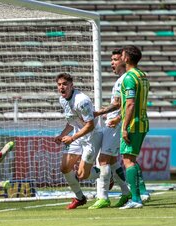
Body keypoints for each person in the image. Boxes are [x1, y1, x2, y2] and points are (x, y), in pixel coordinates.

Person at [95, 45, 150, 209]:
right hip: (143, 122)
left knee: (128, 161)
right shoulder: (143, 76)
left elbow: (130, 104)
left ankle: (135, 199)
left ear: (126, 58)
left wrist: (123, 125)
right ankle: (137, 195)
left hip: (132, 123)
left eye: (121, 56)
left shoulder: (128, 78)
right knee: (129, 159)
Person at [88, 49, 131, 209]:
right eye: (111, 60)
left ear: (123, 60)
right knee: (112, 161)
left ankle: (103, 197)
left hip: (115, 124)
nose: (112, 63)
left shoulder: (123, 80)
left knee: (103, 159)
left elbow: (121, 103)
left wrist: (102, 112)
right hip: (114, 121)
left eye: (115, 59)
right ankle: (126, 192)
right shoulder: (121, 79)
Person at [54, 73, 103, 209]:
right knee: (65, 167)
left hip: (91, 137)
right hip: (77, 136)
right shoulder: (63, 100)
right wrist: (62, 135)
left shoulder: (82, 100)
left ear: (71, 85)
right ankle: (80, 197)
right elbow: (72, 122)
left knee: (82, 175)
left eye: (64, 84)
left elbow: (90, 125)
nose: (61, 87)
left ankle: (106, 174)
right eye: (59, 84)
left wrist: (71, 138)